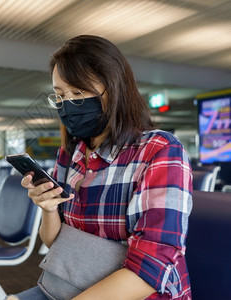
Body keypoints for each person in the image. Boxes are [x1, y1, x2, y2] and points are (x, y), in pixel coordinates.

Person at [11, 35, 192, 299]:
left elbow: (150, 270)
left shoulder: (160, 150)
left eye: (79, 92)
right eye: (60, 95)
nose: (68, 104)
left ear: (114, 88)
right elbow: (56, 244)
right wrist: (48, 208)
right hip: (73, 284)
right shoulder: (71, 153)